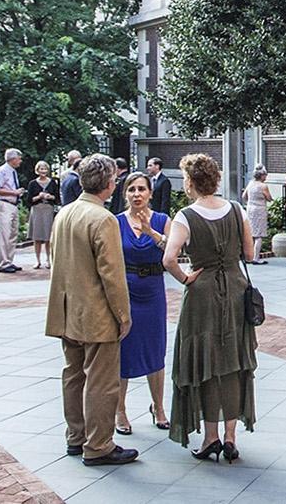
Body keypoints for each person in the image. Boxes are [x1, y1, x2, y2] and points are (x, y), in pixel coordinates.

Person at [160, 154, 260, 463]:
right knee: (233, 360)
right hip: (234, 287)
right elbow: (250, 253)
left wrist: (186, 278)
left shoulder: (185, 216)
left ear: (189, 182)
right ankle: (231, 438)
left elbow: (168, 259)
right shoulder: (236, 209)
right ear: (216, 179)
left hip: (201, 293)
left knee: (204, 363)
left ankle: (210, 437)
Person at [42, 154, 138, 467]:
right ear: (110, 183)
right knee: (102, 381)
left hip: (67, 308)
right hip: (96, 312)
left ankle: (76, 437)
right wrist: (123, 315)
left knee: (73, 375)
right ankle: (98, 444)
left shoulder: (65, 213)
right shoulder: (103, 219)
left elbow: (59, 260)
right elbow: (112, 273)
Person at [114, 172, 171, 436]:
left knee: (155, 349)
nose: (137, 194)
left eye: (142, 189)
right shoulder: (115, 222)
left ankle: (158, 406)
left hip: (153, 289)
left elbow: (173, 252)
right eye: (132, 190)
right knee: (123, 350)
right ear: (125, 194)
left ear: (150, 193)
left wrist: (151, 232)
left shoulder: (162, 220)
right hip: (125, 290)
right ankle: (120, 409)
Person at [0, 149, 25, 272]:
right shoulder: (2, 171)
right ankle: (3, 263)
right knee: (4, 234)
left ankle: (9, 260)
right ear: (12, 159)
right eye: (19, 158)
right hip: (3, 204)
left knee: (12, 233)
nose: (20, 161)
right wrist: (13, 192)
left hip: (13, 204)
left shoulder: (12, 171)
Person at [25, 160, 62, 269]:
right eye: (41, 169)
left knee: (48, 236)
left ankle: (48, 260)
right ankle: (37, 260)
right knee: (37, 236)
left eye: (45, 169)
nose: (43, 171)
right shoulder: (32, 183)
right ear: (37, 170)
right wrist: (38, 197)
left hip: (48, 209)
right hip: (37, 210)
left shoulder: (52, 183)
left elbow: (57, 199)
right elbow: (29, 200)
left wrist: (51, 197)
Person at [243, 165, 272, 264]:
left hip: (250, 209)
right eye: (265, 175)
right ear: (262, 175)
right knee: (259, 234)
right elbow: (268, 198)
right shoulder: (263, 186)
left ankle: (248, 256)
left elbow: (244, 196)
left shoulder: (250, 183)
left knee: (251, 233)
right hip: (260, 210)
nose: (266, 177)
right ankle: (256, 257)